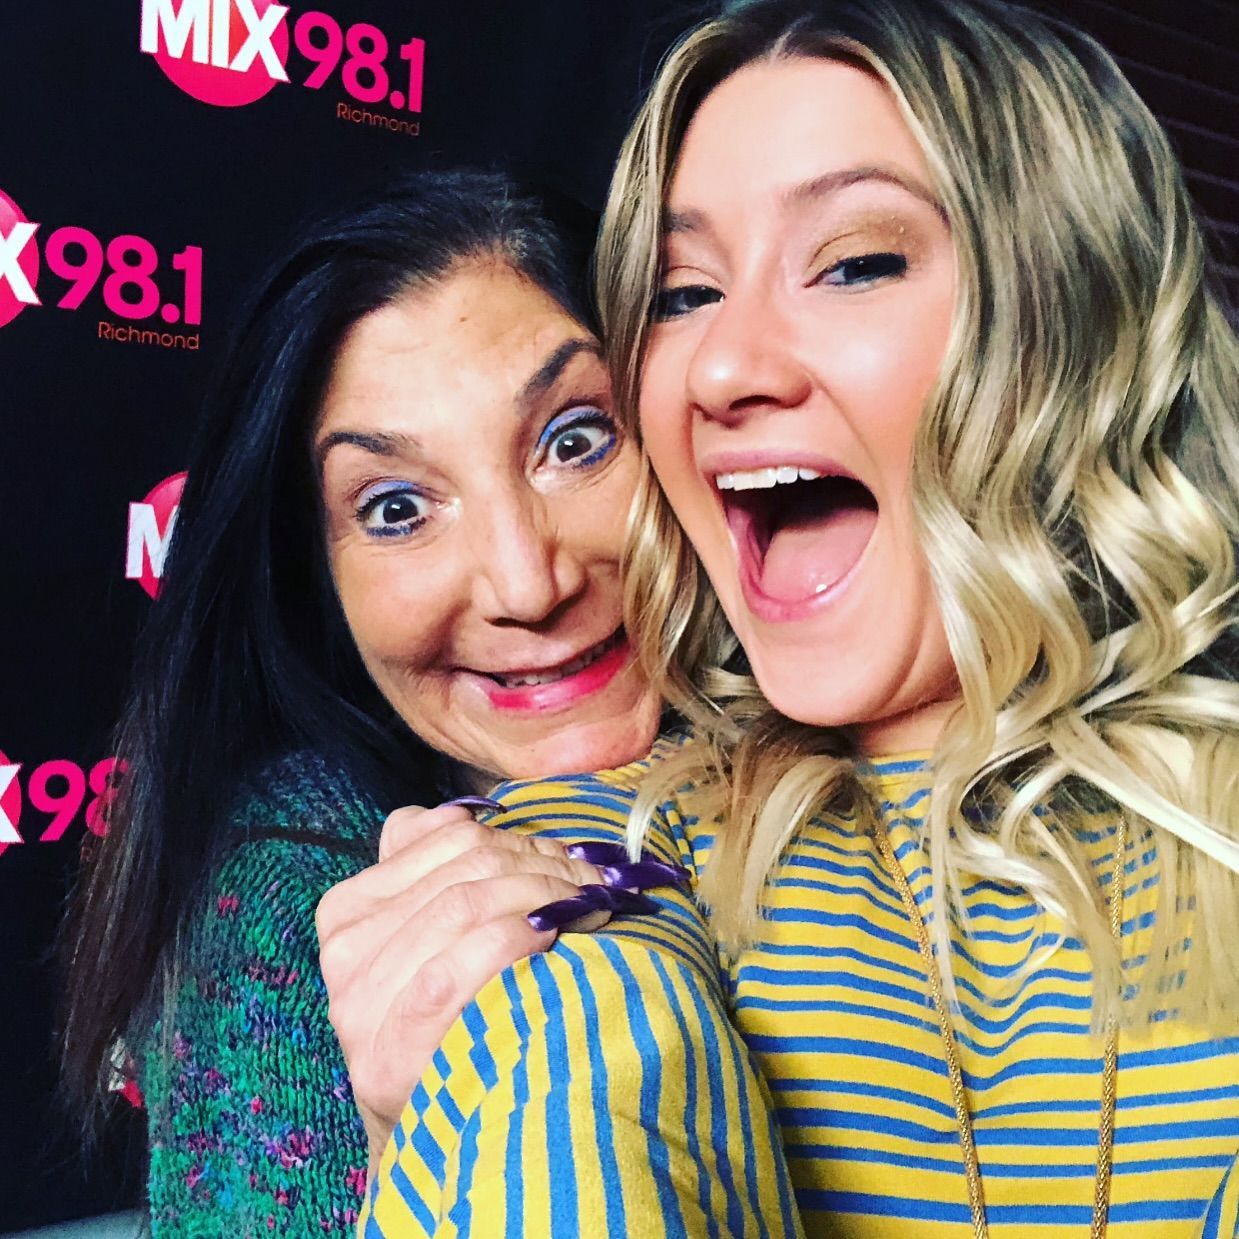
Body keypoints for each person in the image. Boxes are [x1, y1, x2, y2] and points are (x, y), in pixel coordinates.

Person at [362, 0, 1239, 1235]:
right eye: (683, 293)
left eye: (855, 263)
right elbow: (579, 1074)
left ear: (1072, 319)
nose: (724, 368)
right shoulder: (613, 852)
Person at [59, 170, 678, 1236]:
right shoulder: (285, 888)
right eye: (396, 509)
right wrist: (403, 1148)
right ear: (321, 584)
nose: (526, 583)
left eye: (575, 440)